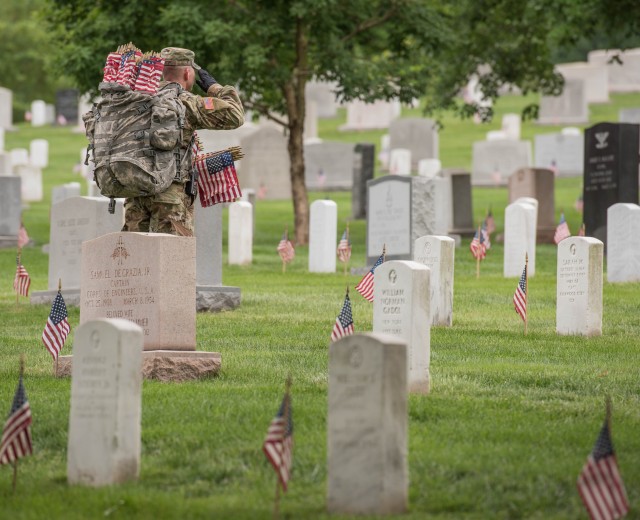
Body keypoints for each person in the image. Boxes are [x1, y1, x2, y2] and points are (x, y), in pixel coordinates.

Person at [122, 47, 244, 236]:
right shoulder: (187, 103)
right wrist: (215, 88)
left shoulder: (136, 99)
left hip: (135, 193)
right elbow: (235, 116)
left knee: (137, 259)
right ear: (188, 73)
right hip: (170, 196)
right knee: (173, 259)